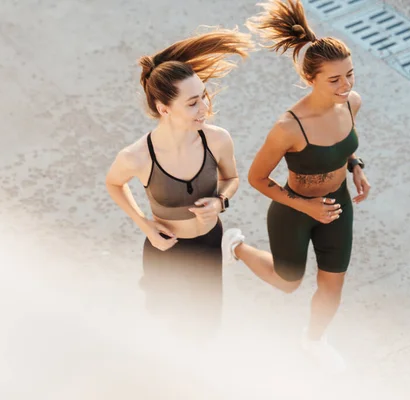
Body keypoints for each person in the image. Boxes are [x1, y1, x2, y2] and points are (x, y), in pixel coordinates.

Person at [222, 0, 371, 369]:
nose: (345, 85)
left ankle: (314, 340)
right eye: (334, 79)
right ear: (311, 79)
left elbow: (345, 143)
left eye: (349, 74)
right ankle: (236, 246)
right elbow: (257, 177)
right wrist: (306, 206)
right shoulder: (289, 127)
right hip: (294, 209)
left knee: (332, 285)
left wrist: (356, 167)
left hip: (337, 204)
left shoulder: (351, 103)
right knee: (288, 282)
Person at [105, 27, 252, 340]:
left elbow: (231, 178)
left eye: (204, 97)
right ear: (163, 108)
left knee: (205, 328)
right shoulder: (137, 156)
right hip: (166, 251)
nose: (205, 108)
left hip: (210, 245)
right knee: (167, 330)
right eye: (193, 103)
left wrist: (221, 201)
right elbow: (114, 184)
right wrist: (144, 224)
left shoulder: (217, 139)